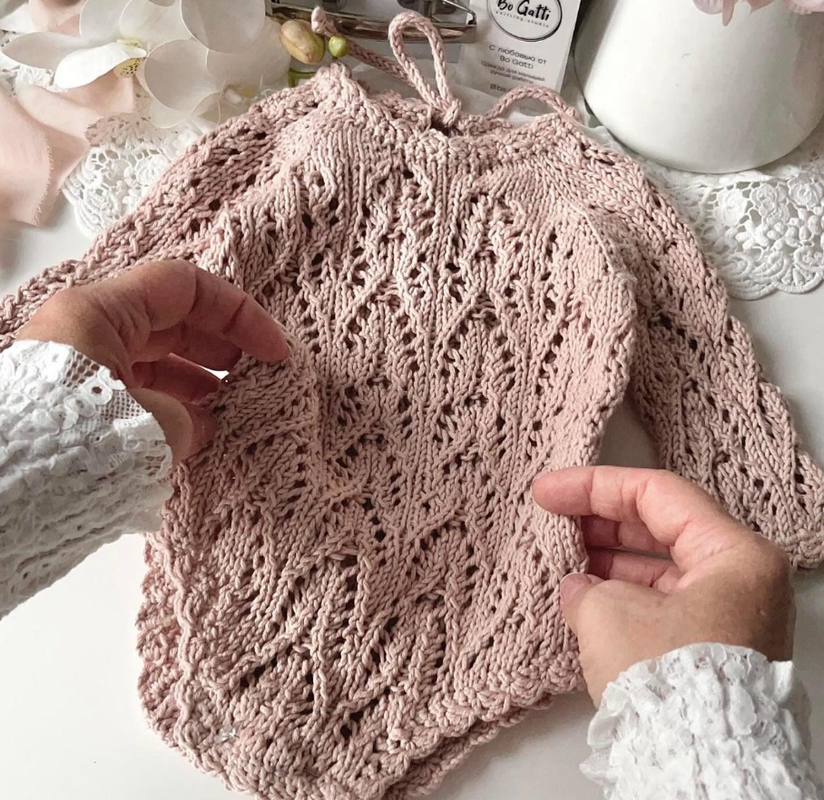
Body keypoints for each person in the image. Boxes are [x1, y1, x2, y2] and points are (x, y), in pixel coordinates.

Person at [0, 260, 822, 799]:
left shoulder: (589, 182)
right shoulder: (306, 133)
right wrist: (707, 708)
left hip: (485, 579)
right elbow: (136, 271)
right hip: (255, 518)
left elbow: (687, 325)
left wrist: (46, 412)